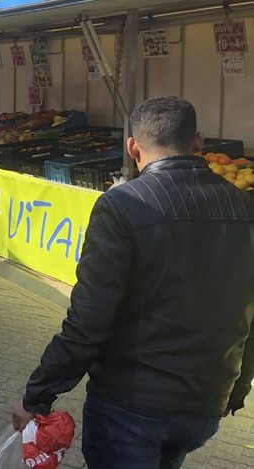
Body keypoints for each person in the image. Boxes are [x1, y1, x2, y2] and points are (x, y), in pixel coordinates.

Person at [13, 96, 254, 468]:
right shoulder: (244, 208)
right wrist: (238, 387)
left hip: (131, 407)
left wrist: (38, 395)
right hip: (206, 402)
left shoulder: (123, 205)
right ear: (199, 141)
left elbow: (89, 319)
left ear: (132, 147)